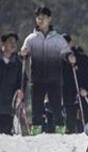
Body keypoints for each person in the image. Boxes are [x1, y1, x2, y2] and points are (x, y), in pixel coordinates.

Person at [20, 6, 75, 135]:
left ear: (49, 19)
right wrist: (23, 53)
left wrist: (70, 57)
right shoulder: (31, 38)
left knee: (56, 107)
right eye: (38, 18)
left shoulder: (58, 38)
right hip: (37, 79)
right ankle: (35, 132)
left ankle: (60, 131)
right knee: (36, 108)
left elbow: (66, 52)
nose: (40, 21)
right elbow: (24, 54)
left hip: (54, 79)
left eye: (43, 18)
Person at [61, 33, 88, 134]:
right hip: (67, 95)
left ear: (71, 43)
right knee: (69, 121)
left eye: (66, 43)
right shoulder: (58, 61)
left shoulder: (83, 58)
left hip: (84, 93)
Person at [0, 32, 22, 135]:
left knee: (7, 137)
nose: (13, 44)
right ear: (2, 44)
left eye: (15, 42)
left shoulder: (18, 63)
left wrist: (20, 93)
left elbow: (21, 82)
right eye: (10, 42)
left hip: (9, 108)